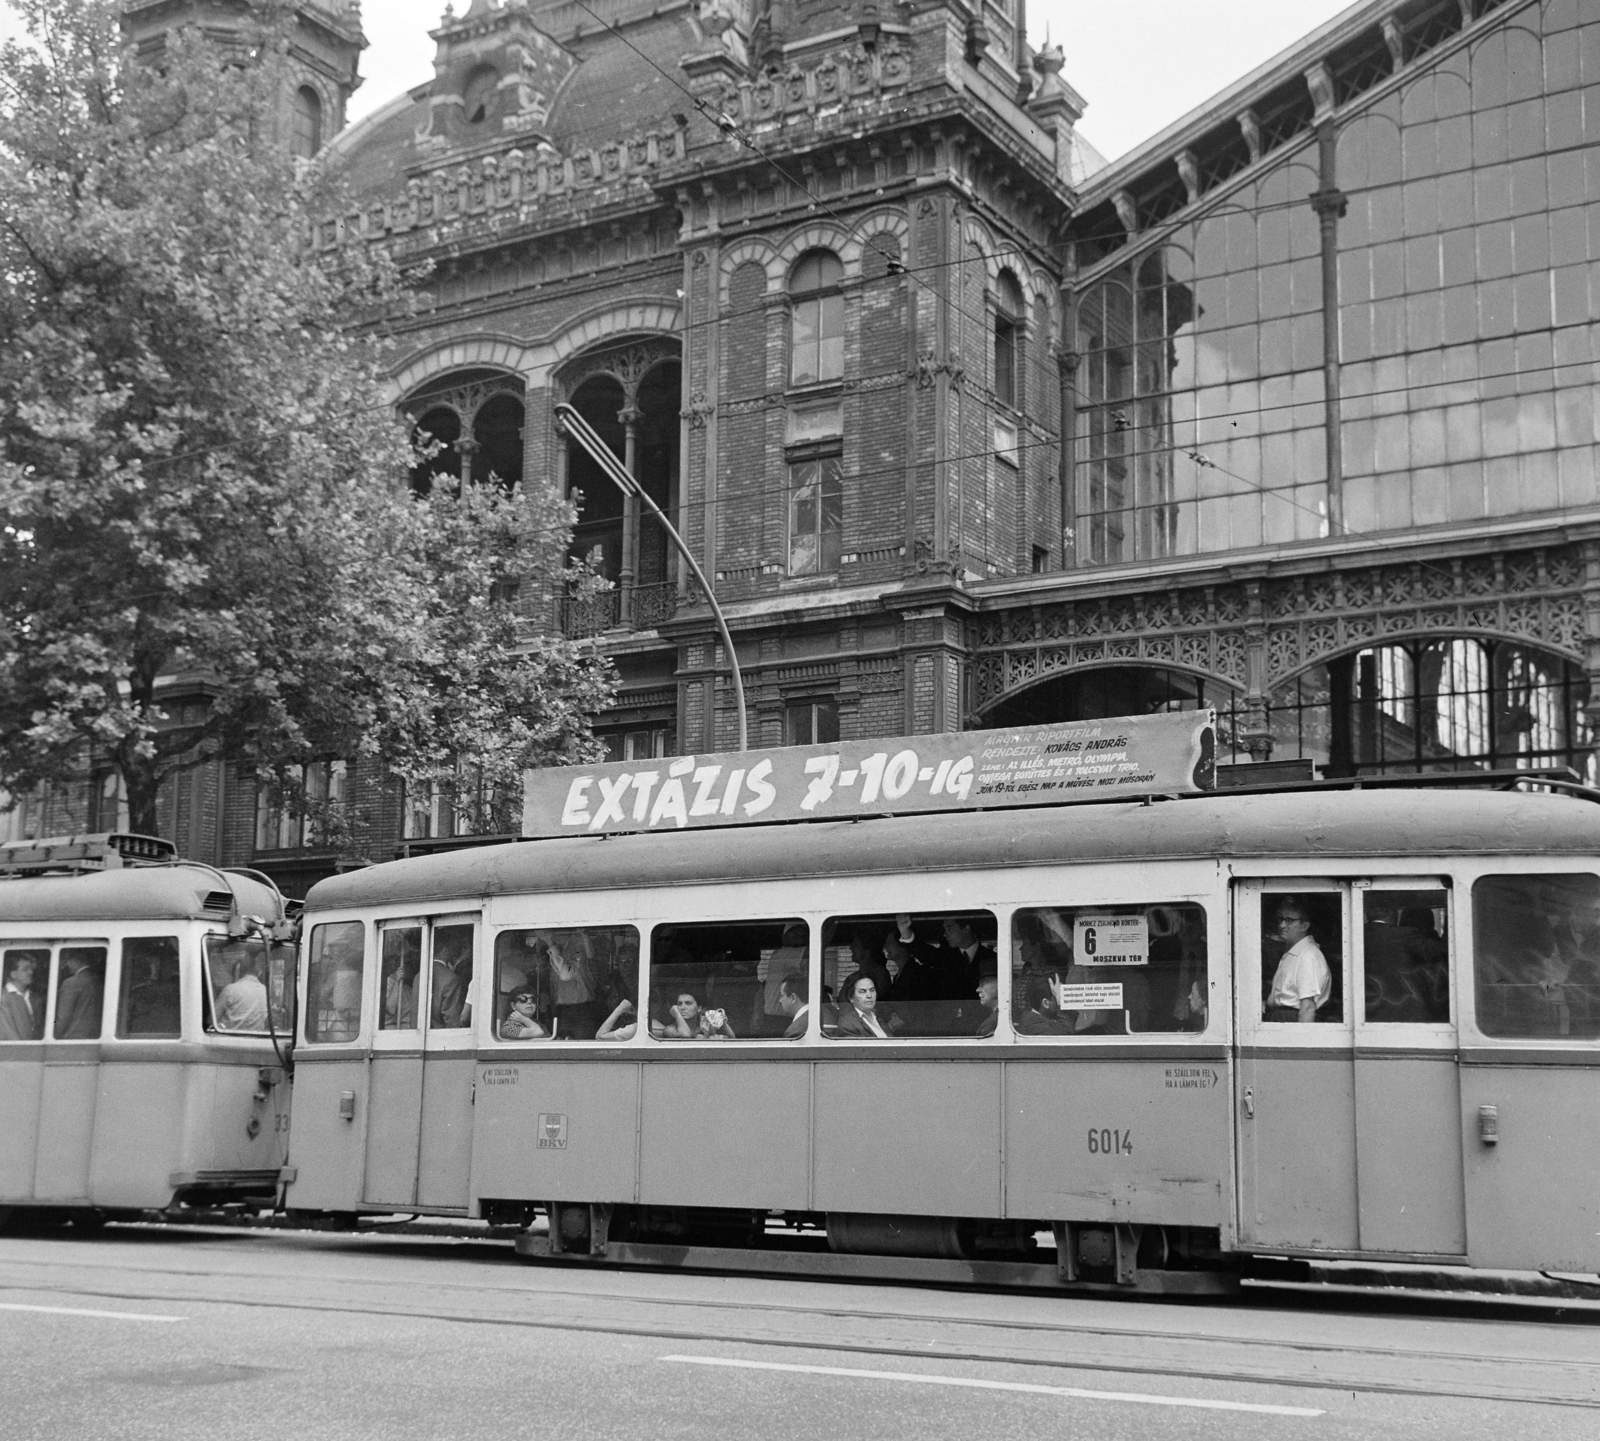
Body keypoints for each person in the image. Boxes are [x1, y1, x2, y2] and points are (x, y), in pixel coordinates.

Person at [1265, 898, 1331, 1022]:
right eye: (1281, 920)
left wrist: (1301, 1039)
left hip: (1291, 1020)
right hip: (1280, 1018)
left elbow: (1308, 1007)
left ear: (1304, 926)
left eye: (1289, 920)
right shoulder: (1295, 953)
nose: (1282, 925)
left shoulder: (1308, 956)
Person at [757, 923, 808, 1027]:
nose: (800, 937)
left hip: (780, 1018)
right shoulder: (783, 954)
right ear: (784, 938)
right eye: (795, 934)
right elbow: (818, 946)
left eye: (804, 935)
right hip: (778, 1020)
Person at [53, 949, 104, 1040]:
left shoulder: (71, 983)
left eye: (68, 961)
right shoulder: (98, 981)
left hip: (73, 1038)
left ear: (75, 961)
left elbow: (64, 1016)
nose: (66, 965)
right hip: (95, 1036)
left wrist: (54, 1037)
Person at [215, 950, 269, 1031]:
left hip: (230, 1040)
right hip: (258, 1040)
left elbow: (212, 1019)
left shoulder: (230, 990)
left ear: (239, 971)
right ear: (258, 973)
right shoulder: (265, 991)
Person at [0, 953, 42, 1041]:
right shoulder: (3, 997)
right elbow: (9, 1032)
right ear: (13, 974)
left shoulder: (34, 997)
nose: (30, 972)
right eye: (25, 969)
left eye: (31, 969)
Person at [775, 974, 809, 1038]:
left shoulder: (795, 1031)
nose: (780, 1000)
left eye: (782, 995)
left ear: (793, 998)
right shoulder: (824, 1015)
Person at [972, 968, 999, 1037]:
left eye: (983, 984)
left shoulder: (995, 1022)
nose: (977, 990)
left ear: (1000, 985)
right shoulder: (994, 1016)